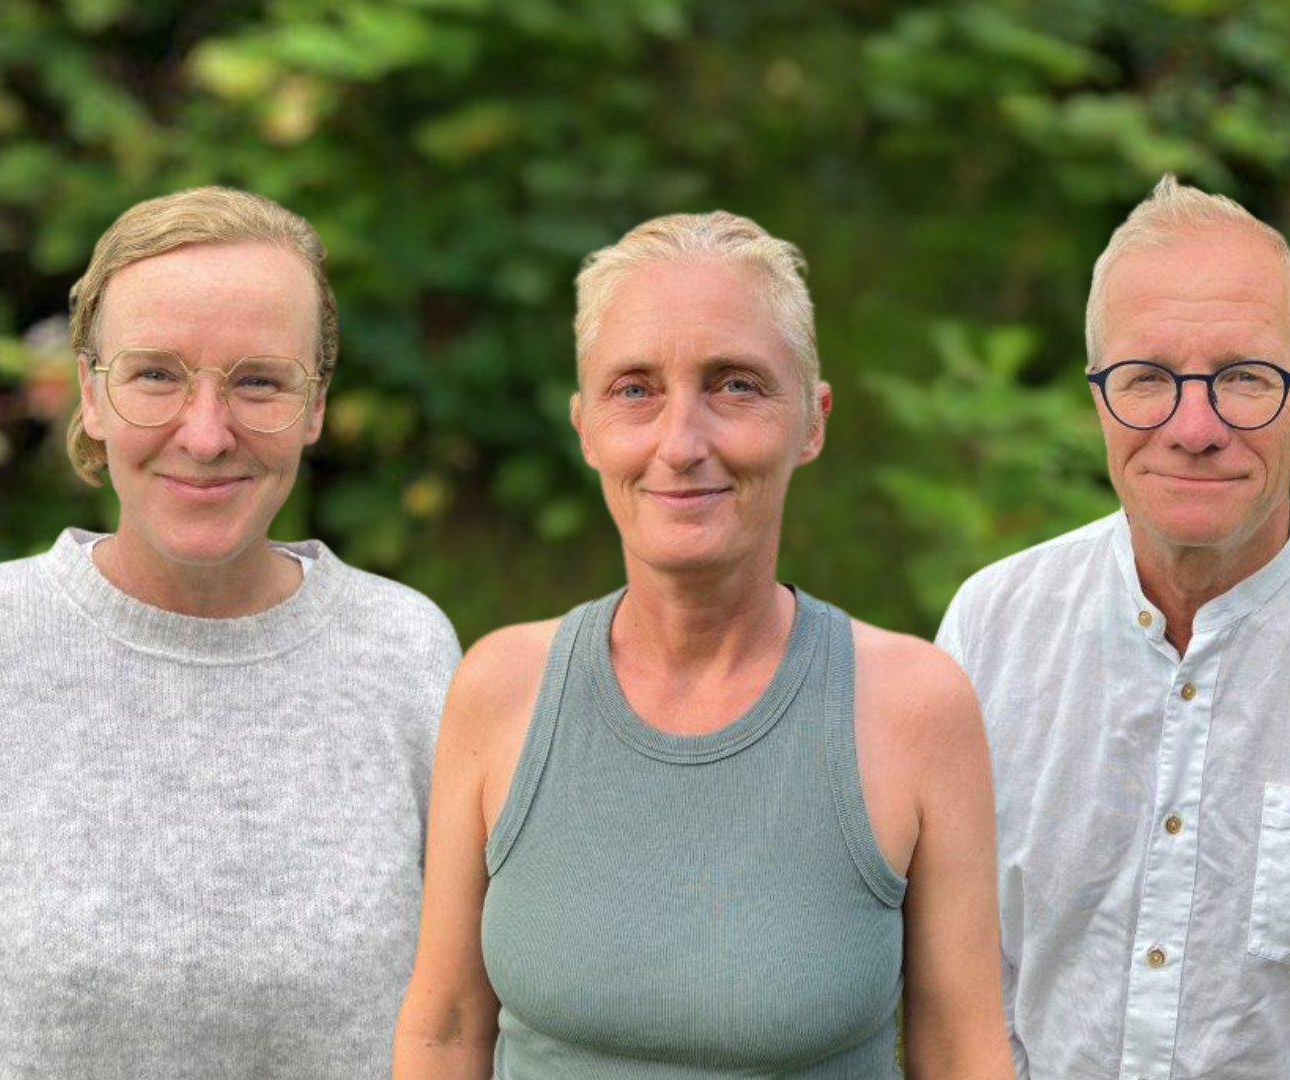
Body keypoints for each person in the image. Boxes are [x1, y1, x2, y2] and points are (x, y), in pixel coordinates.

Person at [0, 186, 461, 1078]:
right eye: (156, 374)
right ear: (91, 393)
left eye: (260, 382)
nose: (205, 435)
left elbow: (473, 1018)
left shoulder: (408, 656)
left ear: (315, 407)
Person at [394, 211, 1012, 1079]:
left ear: (813, 420)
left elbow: (962, 1053)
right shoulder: (499, 688)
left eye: (735, 386)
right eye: (635, 389)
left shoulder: (915, 706)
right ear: (585, 426)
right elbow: (446, 1027)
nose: (681, 445)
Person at [937, 175, 1290, 1079]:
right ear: (1098, 397)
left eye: (1245, 378)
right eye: (1148, 379)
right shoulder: (991, 630)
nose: (1194, 425)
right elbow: (961, 975)